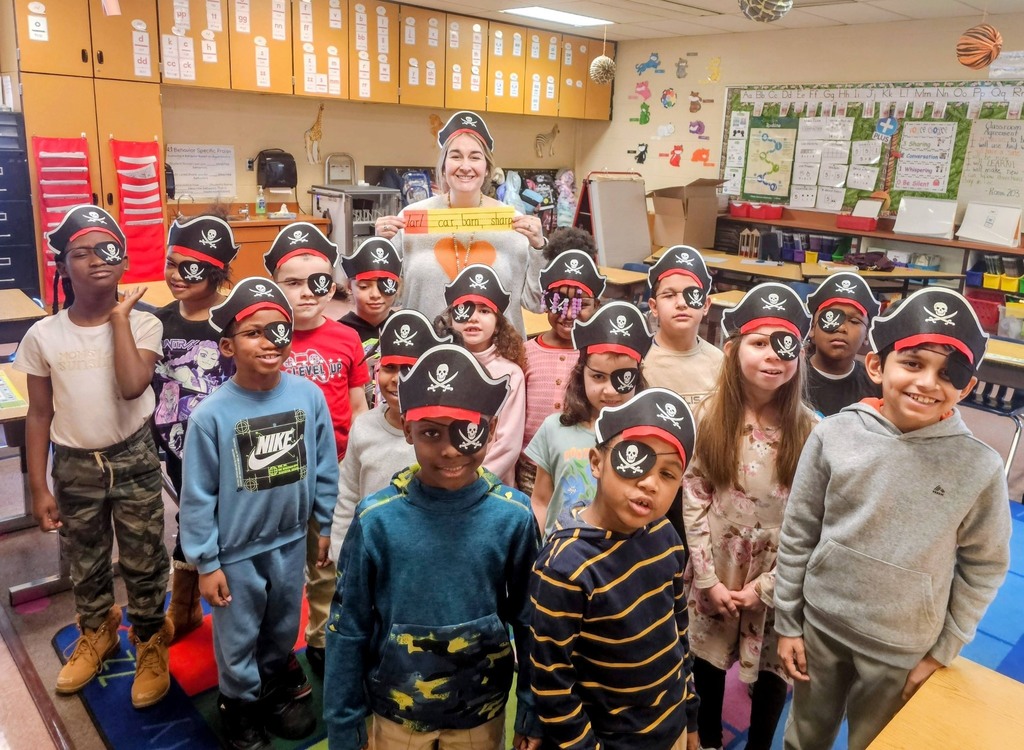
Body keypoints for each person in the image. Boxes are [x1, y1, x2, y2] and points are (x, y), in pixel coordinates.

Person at [775, 287, 1012, 750]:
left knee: (878, 742)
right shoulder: (834, 434)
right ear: (878, 366)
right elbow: (799, 530)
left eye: (949, 373)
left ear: (966, 388)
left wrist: (943, 651)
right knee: (805, 737)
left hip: (902, 647)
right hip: (821, 626)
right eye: (913, 362)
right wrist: (788, 621)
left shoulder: (978, 468)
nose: (927, 383)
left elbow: (984, 566)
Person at [324, 344, 543, 750]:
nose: (450, 449)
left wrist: (531, 707)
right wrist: (344, 721)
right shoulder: (376, 520)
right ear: (408, 430)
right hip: (395, 713)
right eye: (430, 433)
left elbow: (531, 620)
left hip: (481, 710)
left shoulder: (513, 516)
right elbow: (347, 627)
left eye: (467, 432)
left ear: (491, 430)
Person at [16, 205, 172, 707]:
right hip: (75, 464)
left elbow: (131, 386)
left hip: (133, 457)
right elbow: (38, 415)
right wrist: (40, 486)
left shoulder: (145, 325)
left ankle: (148, 639)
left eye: (106, 250)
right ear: (62, 266)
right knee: (84, 561)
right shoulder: (44, 334)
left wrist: (121, 318)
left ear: (123, 261)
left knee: (145, 559)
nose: (95, 260)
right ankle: (99, 627)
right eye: (80, 252)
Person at [179, 278, 339, 748]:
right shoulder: (211, 415)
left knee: (283, 623)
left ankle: (271, 685)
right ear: (227, 345)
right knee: (237, 633)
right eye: (254, 333)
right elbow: (197, 496)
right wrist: (206, 562)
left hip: (290, 542)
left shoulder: (308, 397)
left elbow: (325, 464)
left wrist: (324, 523)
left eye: (279, 330)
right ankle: (239, 702)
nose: (270, 341)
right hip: (235, 552)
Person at [682, 283, 816, 750]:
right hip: (716, 564)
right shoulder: (706, 414)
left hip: (778, 572)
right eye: (759, 343)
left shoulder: (812, 432)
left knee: (773, 673)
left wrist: (769, 588)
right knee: (709, 662)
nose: (771, 357)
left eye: (785, 346)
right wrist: (706, 579)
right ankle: (712, 739)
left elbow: (812, 521)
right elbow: (694, 496)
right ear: (734, 348)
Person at [530, 388, 701, 750]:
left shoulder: (666, 536)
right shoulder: (564, 567)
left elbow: (678, 634)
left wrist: (689, 716)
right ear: (596, 461)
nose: (649, 482)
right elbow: (551, 681)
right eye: (635, 460)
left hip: (671, 730)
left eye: (668, 474)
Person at [264, 221, 369, 679]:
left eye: (318, 282)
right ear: (273, 285)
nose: (306, 293)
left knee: (325, 560)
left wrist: (359, 465)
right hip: (279, 470)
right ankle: (275, 645)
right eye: (291, 283)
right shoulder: (264, 335)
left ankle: (323, 636)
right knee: (280, 563)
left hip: (337, 467)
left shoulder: (347, 337)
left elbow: (359, 403)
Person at [373, 110, 548, 335]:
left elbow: (536, 304)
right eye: (456, 156)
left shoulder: (514, 223)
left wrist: (539, 249)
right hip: (426, 355)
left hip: (497, 361)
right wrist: (380, 248)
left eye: (475, 157)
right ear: (444, 167)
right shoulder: (412, 219)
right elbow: (386, 295)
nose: (465, 166)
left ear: (487, 169)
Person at [152, 214, 238, 641]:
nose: (176, 275)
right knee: (192, 516)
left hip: (229, 445)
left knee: (233, 519)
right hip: (177, 443)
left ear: (217, 271)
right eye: (171, 263)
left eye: (190, 266)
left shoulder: (234, 321)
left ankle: (241, 607)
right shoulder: (159, 321)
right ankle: (183, 606)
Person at [329, 308, 452, 562]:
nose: (397, 379)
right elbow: (348, 497)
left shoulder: (447, 434)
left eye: (408, 367)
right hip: (370, 558)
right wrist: (343, 555)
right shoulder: (363, 427)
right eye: (389, 367)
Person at [526, 300, 651, 537]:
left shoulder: (647, 436)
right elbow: (541, 501)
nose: (610, 390)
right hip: (559, 556)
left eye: (622, 378)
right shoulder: (554, 429)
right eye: (598, 377)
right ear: (581, 373)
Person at [518, 249, 606, 494]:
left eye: (580, 304)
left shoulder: (599, 356)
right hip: (530, 468)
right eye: (559, 303)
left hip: (582, 464)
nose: (568, 314)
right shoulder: (525, 353)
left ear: (596, 305)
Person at [440, 263, 526, 486]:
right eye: (464, 309)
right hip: (443, 478)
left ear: (498, 324)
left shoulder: (510, 374)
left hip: (491, 487)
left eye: (484, 311)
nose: (473, 318)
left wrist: (472, 481)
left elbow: (508, 444)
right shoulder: (440, 366)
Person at [643, 245, 723, 407]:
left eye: (692, 294)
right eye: (669, 295)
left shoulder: (720, 363)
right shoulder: (640, 361)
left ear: (706, 305)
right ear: (654, 307)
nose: (681, 303)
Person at [804, 270, 881, 416]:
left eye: (854, 321)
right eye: (831, 317)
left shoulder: (875, 385)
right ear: (812, 328)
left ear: (866, 335)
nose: (841, 327)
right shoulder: (791, 377)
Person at [338, 236, 403, 406]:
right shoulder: (339, 332)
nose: (375, 295)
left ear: (398, 287)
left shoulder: (406, 328)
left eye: (384, 285)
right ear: (348, 286)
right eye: (364, 287)